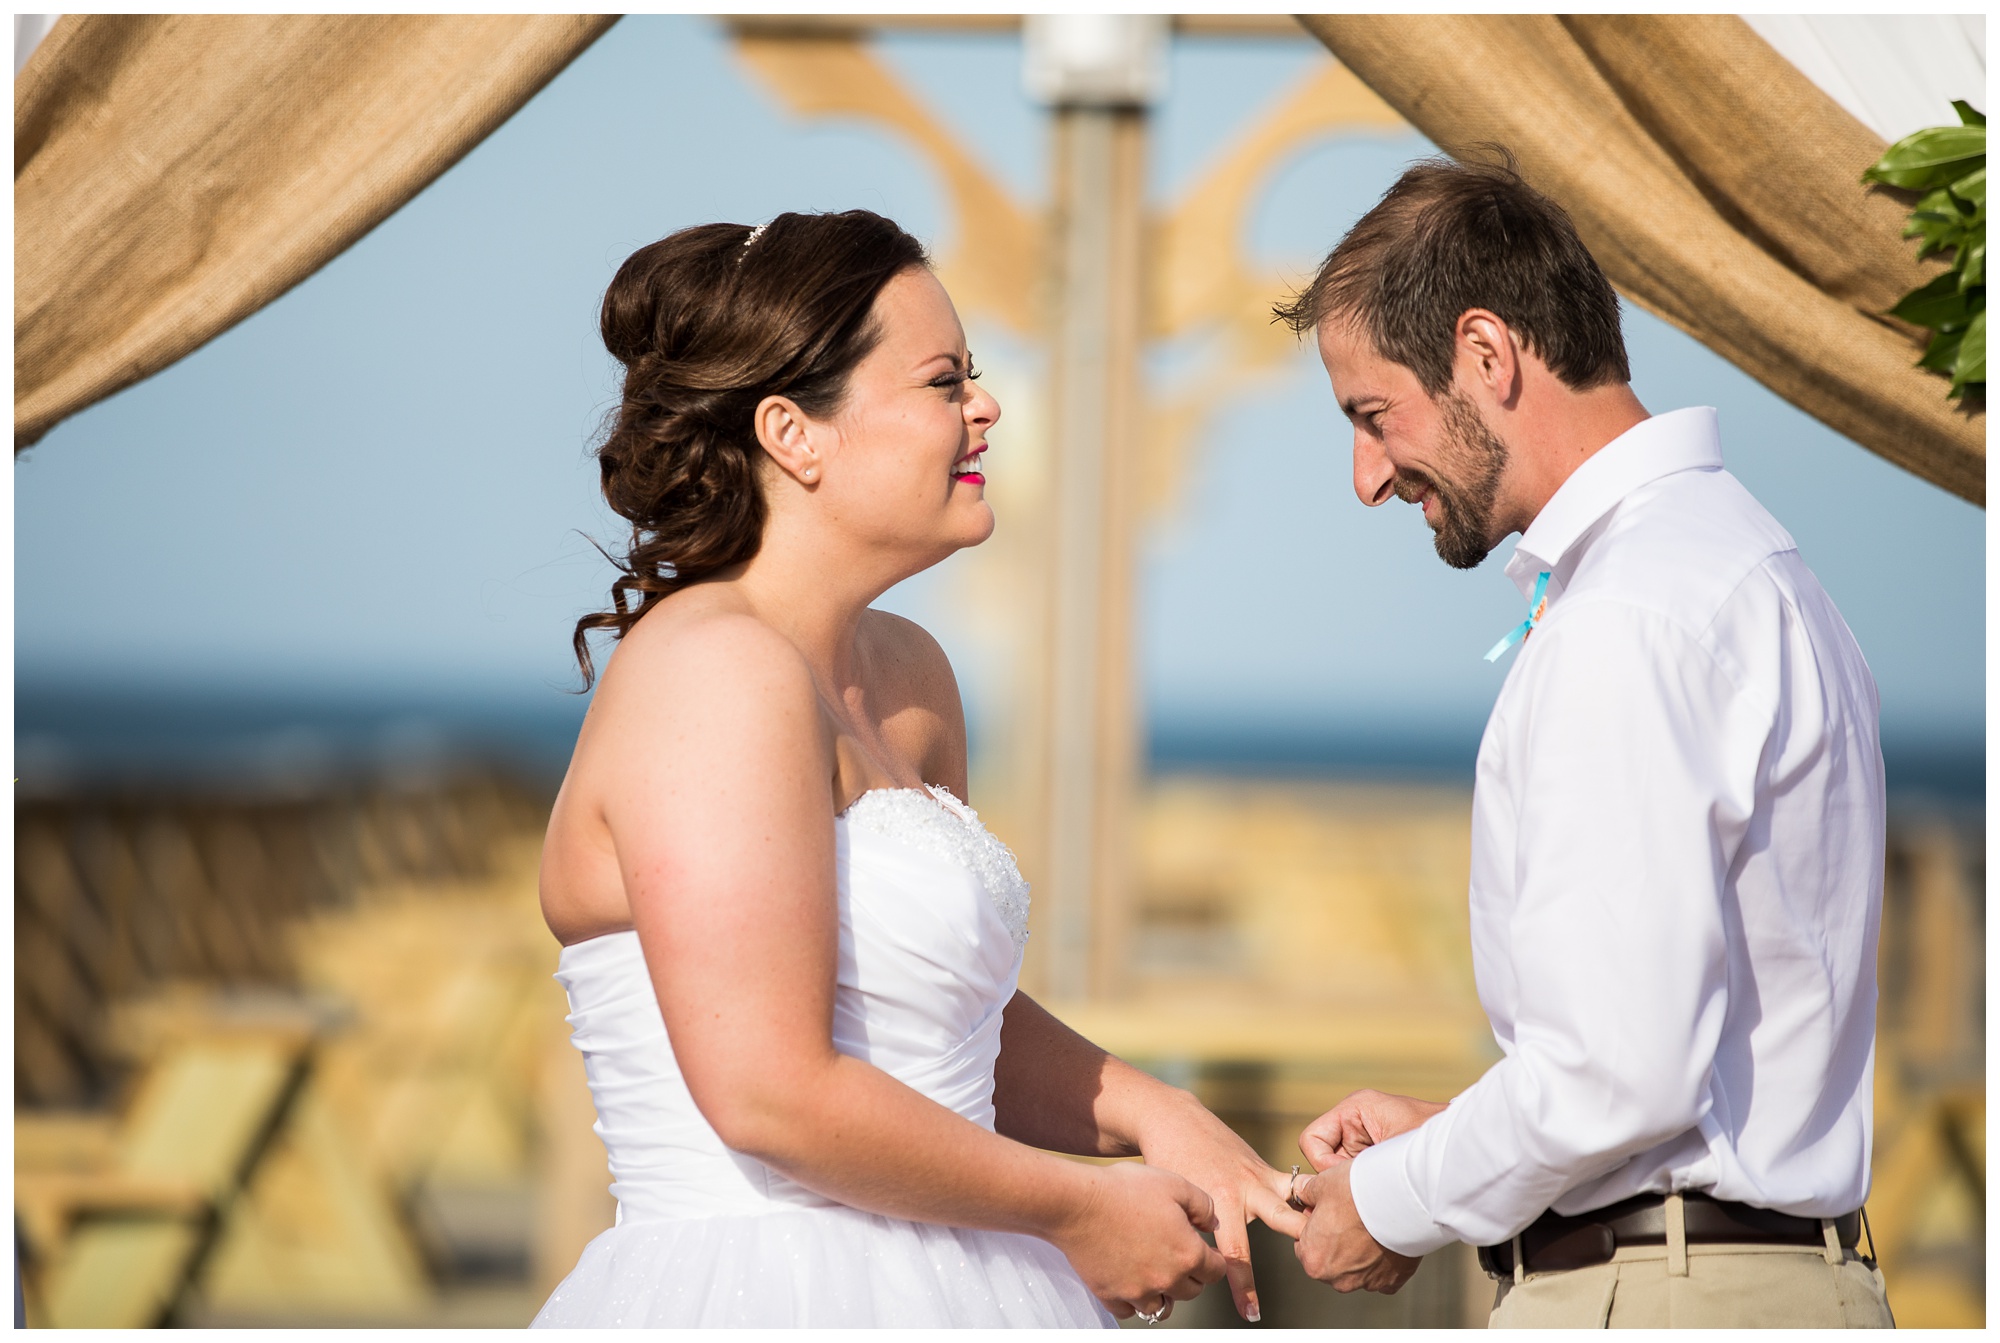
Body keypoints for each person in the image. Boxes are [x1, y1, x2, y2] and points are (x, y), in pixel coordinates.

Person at [532, 210, 1302, 1328]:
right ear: (795, 433)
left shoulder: (907, 673)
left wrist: (1150, 1110)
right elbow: (767, 1093)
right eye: (944, 381)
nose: (985, 407)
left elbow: (947, 1013)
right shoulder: (711, 670)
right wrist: (1078, 1211)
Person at [1271, 158, 1894, 1328]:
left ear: (1486, 355)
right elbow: (1669, 1056)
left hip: (1665, 1297)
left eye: (1373, 415)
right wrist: (1462, 1139)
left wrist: (1394, 1197)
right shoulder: (1749, 567)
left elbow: (1618, 1074)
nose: (1364, 477)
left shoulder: (1627, 615)